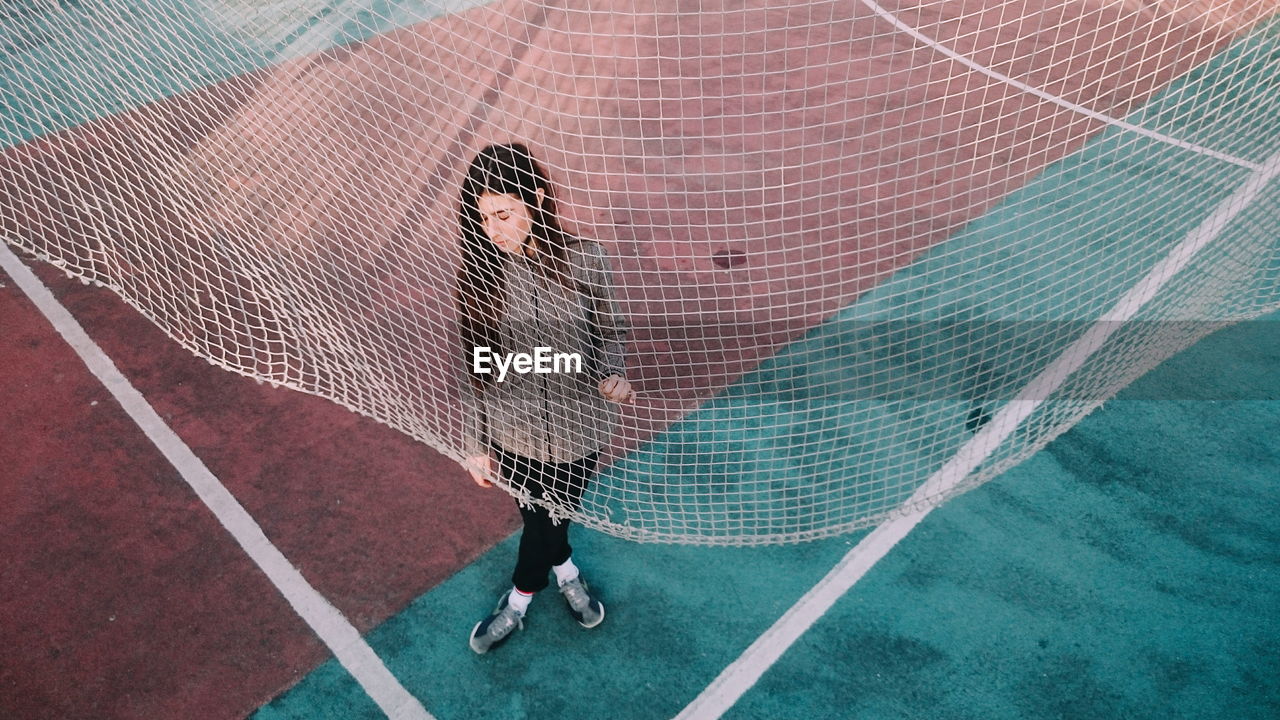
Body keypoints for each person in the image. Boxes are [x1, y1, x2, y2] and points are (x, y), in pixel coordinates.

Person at [455, 142, 633, 654]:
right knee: (542, 522)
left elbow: (610, 333)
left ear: (535, 199)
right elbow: (479, 367)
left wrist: (612, 374)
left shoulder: (587, 259)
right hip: (513, 434)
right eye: (484, 217)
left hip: (581, 430)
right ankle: (569, 573)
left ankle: (515, 604)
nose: (494, 229)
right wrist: (475, 441)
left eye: (504, 213)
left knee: (549, 519)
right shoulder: (480, 278)